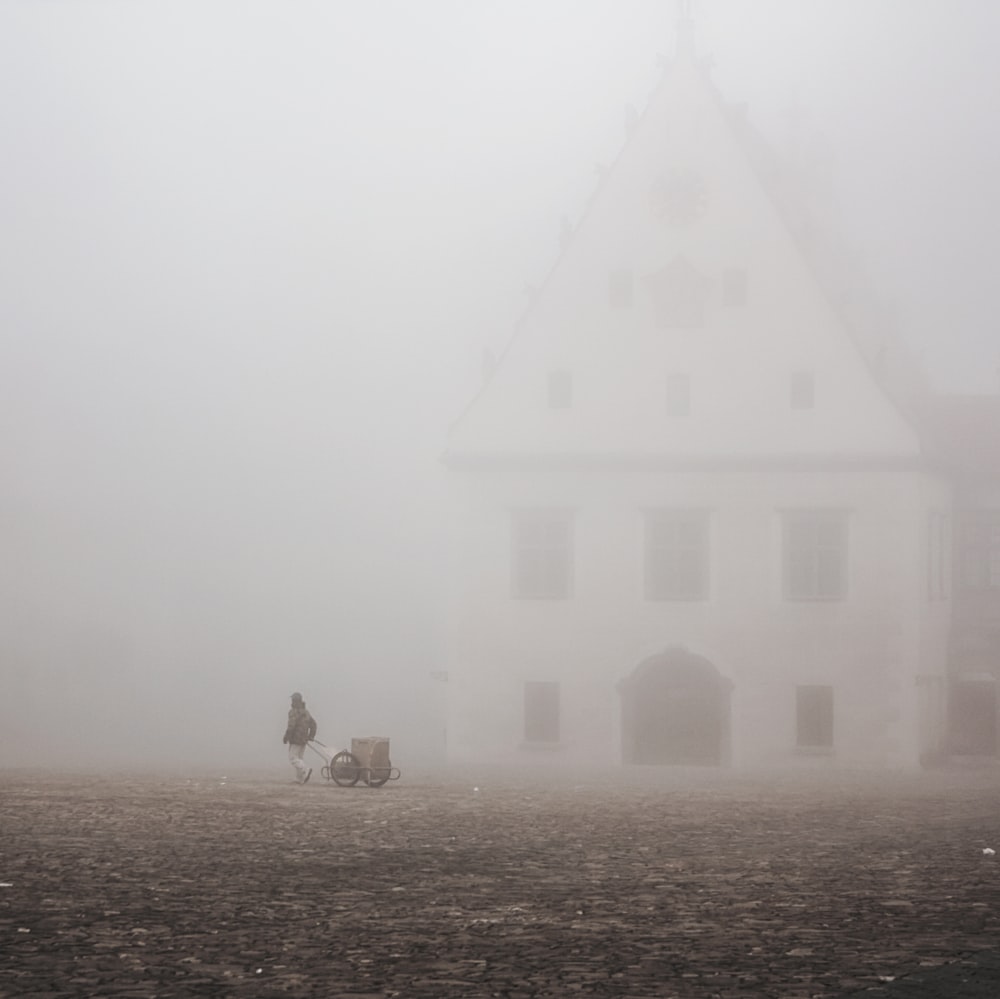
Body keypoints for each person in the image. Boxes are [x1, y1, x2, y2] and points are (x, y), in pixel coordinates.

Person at [282, 692, 317, 784]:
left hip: (295, 739)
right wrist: (311, 736)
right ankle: (299, 778)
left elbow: (291, 726)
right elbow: (313, 724)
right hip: (303, 739)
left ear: (294, 701)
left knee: (293, 758)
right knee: (299, 758)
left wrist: (286, 737)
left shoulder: (293, 712)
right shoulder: (306, 712)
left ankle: (306, 769)